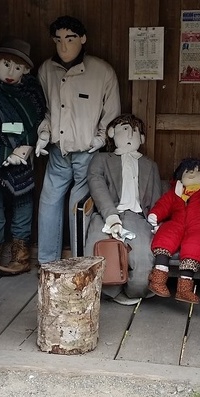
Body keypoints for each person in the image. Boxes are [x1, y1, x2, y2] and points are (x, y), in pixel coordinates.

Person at [35, 15, 121, 267]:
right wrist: (43, 134)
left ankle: (79, 263)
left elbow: (112, 112)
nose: (64, 46)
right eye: (58, 40)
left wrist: (101, 138)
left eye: (70, 39)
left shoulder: (102, 71)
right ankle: (47, 263)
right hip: (57, 150)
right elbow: (44, 109)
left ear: (82, 39)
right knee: (48, 202)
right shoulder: (46, 69)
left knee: (79, 207)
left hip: (88, 152)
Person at [0, 37, 47, 276]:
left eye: (17, 67)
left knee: (23, 204)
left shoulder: (32, 91)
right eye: (6, 65)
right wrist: (4, 153)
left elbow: (37, 122)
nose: (11, 72)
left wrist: (26, 146)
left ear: (26, 70)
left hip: (22, 160)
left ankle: (20, 256)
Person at [83, 114, 163, 305]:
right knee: (98, 248)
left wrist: (157, 222)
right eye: (124, 129)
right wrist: (111, 216)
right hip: (106, 213)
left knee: (144, 256)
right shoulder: (101, 159)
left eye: (134, 131)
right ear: (112, 133)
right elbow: (97, 186)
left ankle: (135, 291)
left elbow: (156, 196)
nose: (129, 134)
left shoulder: (150, 165)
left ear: (141, 138)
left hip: (138, 216)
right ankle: (109, 291)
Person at [146, 158, 200, 305]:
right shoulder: (176, 191)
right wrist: (155, 214)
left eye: (197, 171)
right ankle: (158, 280)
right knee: (165, 236)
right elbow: (164, 204)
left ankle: (184, 289)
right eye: (187, 171)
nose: (191, 173)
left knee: (195, 245)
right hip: (177, 221)